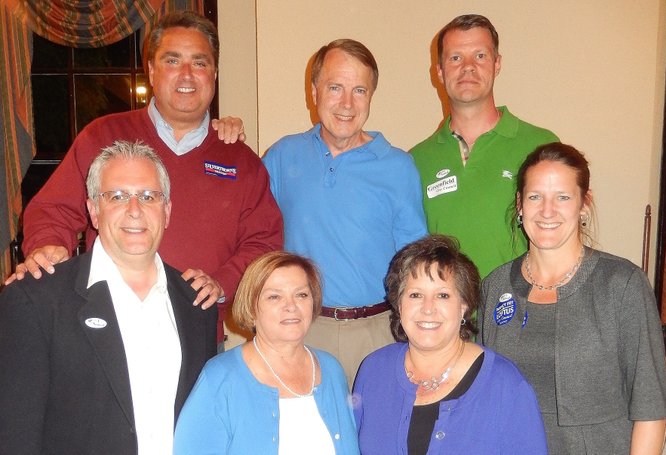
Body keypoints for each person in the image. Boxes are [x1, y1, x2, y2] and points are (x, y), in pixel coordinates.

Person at [11, 11, 283, 344]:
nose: (186, 74)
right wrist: (48, 247)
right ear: (152, 71)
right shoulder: (103, 137)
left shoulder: (243, 162)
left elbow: (263, 243)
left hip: (196, 329)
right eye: (172, 60)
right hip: (106, 327)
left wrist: (221, 282)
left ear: (214, 73)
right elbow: (54, 211)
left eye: (199, 63)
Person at [0, 141, 217, 454]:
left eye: (148, 196)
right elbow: (15, 438)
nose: (134, 209)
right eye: (116, 196)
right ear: (93, 211)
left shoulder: (196, 306)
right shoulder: (36, 301)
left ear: (166, 211)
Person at [478, 142, 666, 454]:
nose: (547, 211)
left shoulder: (622, 285)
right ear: (520, 204)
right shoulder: (496, 286)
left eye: (563, 197)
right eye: (535, 196)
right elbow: (485, 394)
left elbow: (651, 406)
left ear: (584, 204)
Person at [262, 39, 427, 384]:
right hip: (303, 330)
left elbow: (416, 264)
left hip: (378, 335)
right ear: (314, 91)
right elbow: (252, 234)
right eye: (335, 87)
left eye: (360, 90)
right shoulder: (281, 157)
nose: (347, 104)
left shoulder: (399, 167)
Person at [353, 234, 547, 454]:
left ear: (464, 304)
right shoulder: (374, 370)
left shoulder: (506, 384)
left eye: (443, 295)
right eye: (415, 294)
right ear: (399, 304)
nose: (428, 308)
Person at [411, 14, 558, 278]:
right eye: (456, 58)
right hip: (448, 317)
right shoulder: (416, 160)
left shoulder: (541, 146)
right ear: (440, 72)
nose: (468, 67)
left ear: (497, 64)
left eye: (480, 56)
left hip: (524, 315)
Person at [173, 251, 358, 454]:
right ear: (252, 308)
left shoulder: (331, 369)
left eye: (301, 295)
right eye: (274, 297)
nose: (291, 306)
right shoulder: (220, 378)